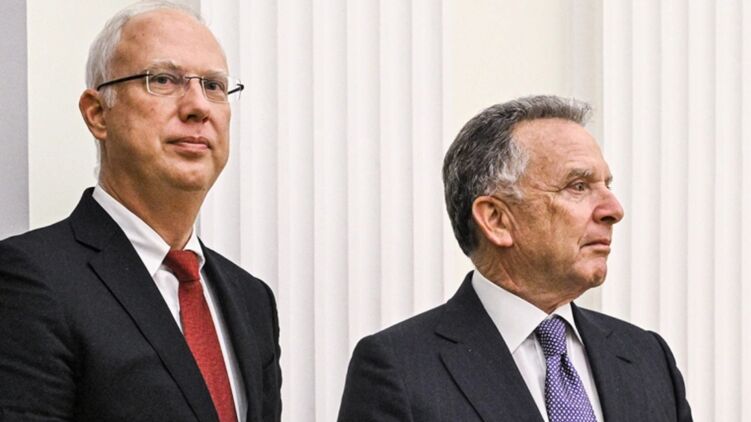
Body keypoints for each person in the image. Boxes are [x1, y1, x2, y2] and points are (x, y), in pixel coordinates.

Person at [0, 2, 281, 421]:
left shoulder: (252, 299)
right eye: (163, 79)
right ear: (98, 114)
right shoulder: (30, 279)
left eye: (214, 85)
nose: (198, 106)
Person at [338, 95, 692, 421]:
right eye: (578, 186)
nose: (613, 210)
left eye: (607, 186)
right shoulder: (399, 368)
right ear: (496, 220)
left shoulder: (648, 357)